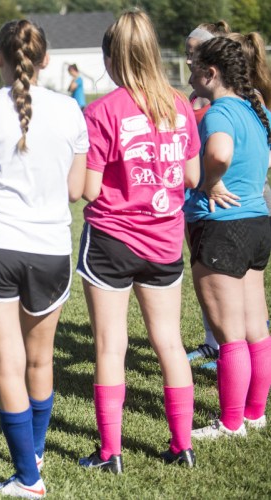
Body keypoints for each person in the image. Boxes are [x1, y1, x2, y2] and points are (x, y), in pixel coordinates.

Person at [0, 19, 87, 497]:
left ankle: (28, 477)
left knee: (6, 363)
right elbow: (76, 190)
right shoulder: (72, 110)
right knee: (39, 360)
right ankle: (36, 453)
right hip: (50, 247)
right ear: (46, 59)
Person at [76, 10, 201, 473]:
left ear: (112, 60)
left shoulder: (102, 110)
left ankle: (111, 454)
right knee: (169, 342)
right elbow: (191, 176)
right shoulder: (180, 105)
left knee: (111, 347)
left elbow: (88, 189)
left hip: (112, 239)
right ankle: (181, 445)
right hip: (165, 240)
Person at [185, 36, 271, 439]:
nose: (188, 71)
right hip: (257, 224)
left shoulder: (219, 112)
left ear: (211, 72)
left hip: (222, 226)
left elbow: (218, 153)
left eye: (193, 64)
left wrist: (210, 182)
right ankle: (256, 414)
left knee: (229, 333)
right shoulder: (256, 111)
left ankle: (232, 422)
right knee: (256, 326)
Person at [182, 21, 231, 368]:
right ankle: (213, 343)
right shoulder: (193, 96)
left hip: (225, 205)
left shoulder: (230, 100)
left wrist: (214, 179)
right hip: (195, 202)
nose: (187, 62)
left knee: (228, 284)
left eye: (192, 54)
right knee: (205, 282)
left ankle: (236, 346)